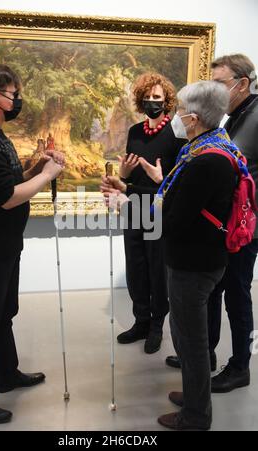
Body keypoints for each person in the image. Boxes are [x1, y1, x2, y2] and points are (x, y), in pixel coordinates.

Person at [102, 80, 237, 430]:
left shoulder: (205, 161)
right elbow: (173, 198)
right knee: (189, 335)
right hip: (201, 257)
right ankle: (195, 395)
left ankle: (195, 415)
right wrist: (131, 187)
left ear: (193, 119)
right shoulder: (213, 147)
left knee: (190, 341)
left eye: (178, 111)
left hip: (194, 263)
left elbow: (172, 221)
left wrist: (125, 203)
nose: (174, 115)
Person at [0, 61, 64, 425]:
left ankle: (7, 374)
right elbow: (5, 197)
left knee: (3, 313)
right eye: (14, 95)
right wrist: (49, 174)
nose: (18, 100)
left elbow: (6, 179)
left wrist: (35, 168)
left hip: (1, 242)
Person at [166, 55, 258, 394]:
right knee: (213, 294)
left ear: (242, 83)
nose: (216, 91)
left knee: (236, 294)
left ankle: (239, 366)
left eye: (220, 83)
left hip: (243, 226)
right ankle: (202, 355)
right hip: (222, 224)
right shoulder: (232, 118)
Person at [106, 73, 186, 355]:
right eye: (148, 98)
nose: (152, 102)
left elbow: (177, 180)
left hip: (160, 209)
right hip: (134, 206)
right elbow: (127, 174)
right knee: (136, 266)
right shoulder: (135, 132)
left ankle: (156, 326)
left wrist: (159, 180)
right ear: (140, 100)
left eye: (157, 98)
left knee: (157, 268)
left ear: (167, 100)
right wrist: (123, 175)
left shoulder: (177, 134)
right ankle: (140, 321)